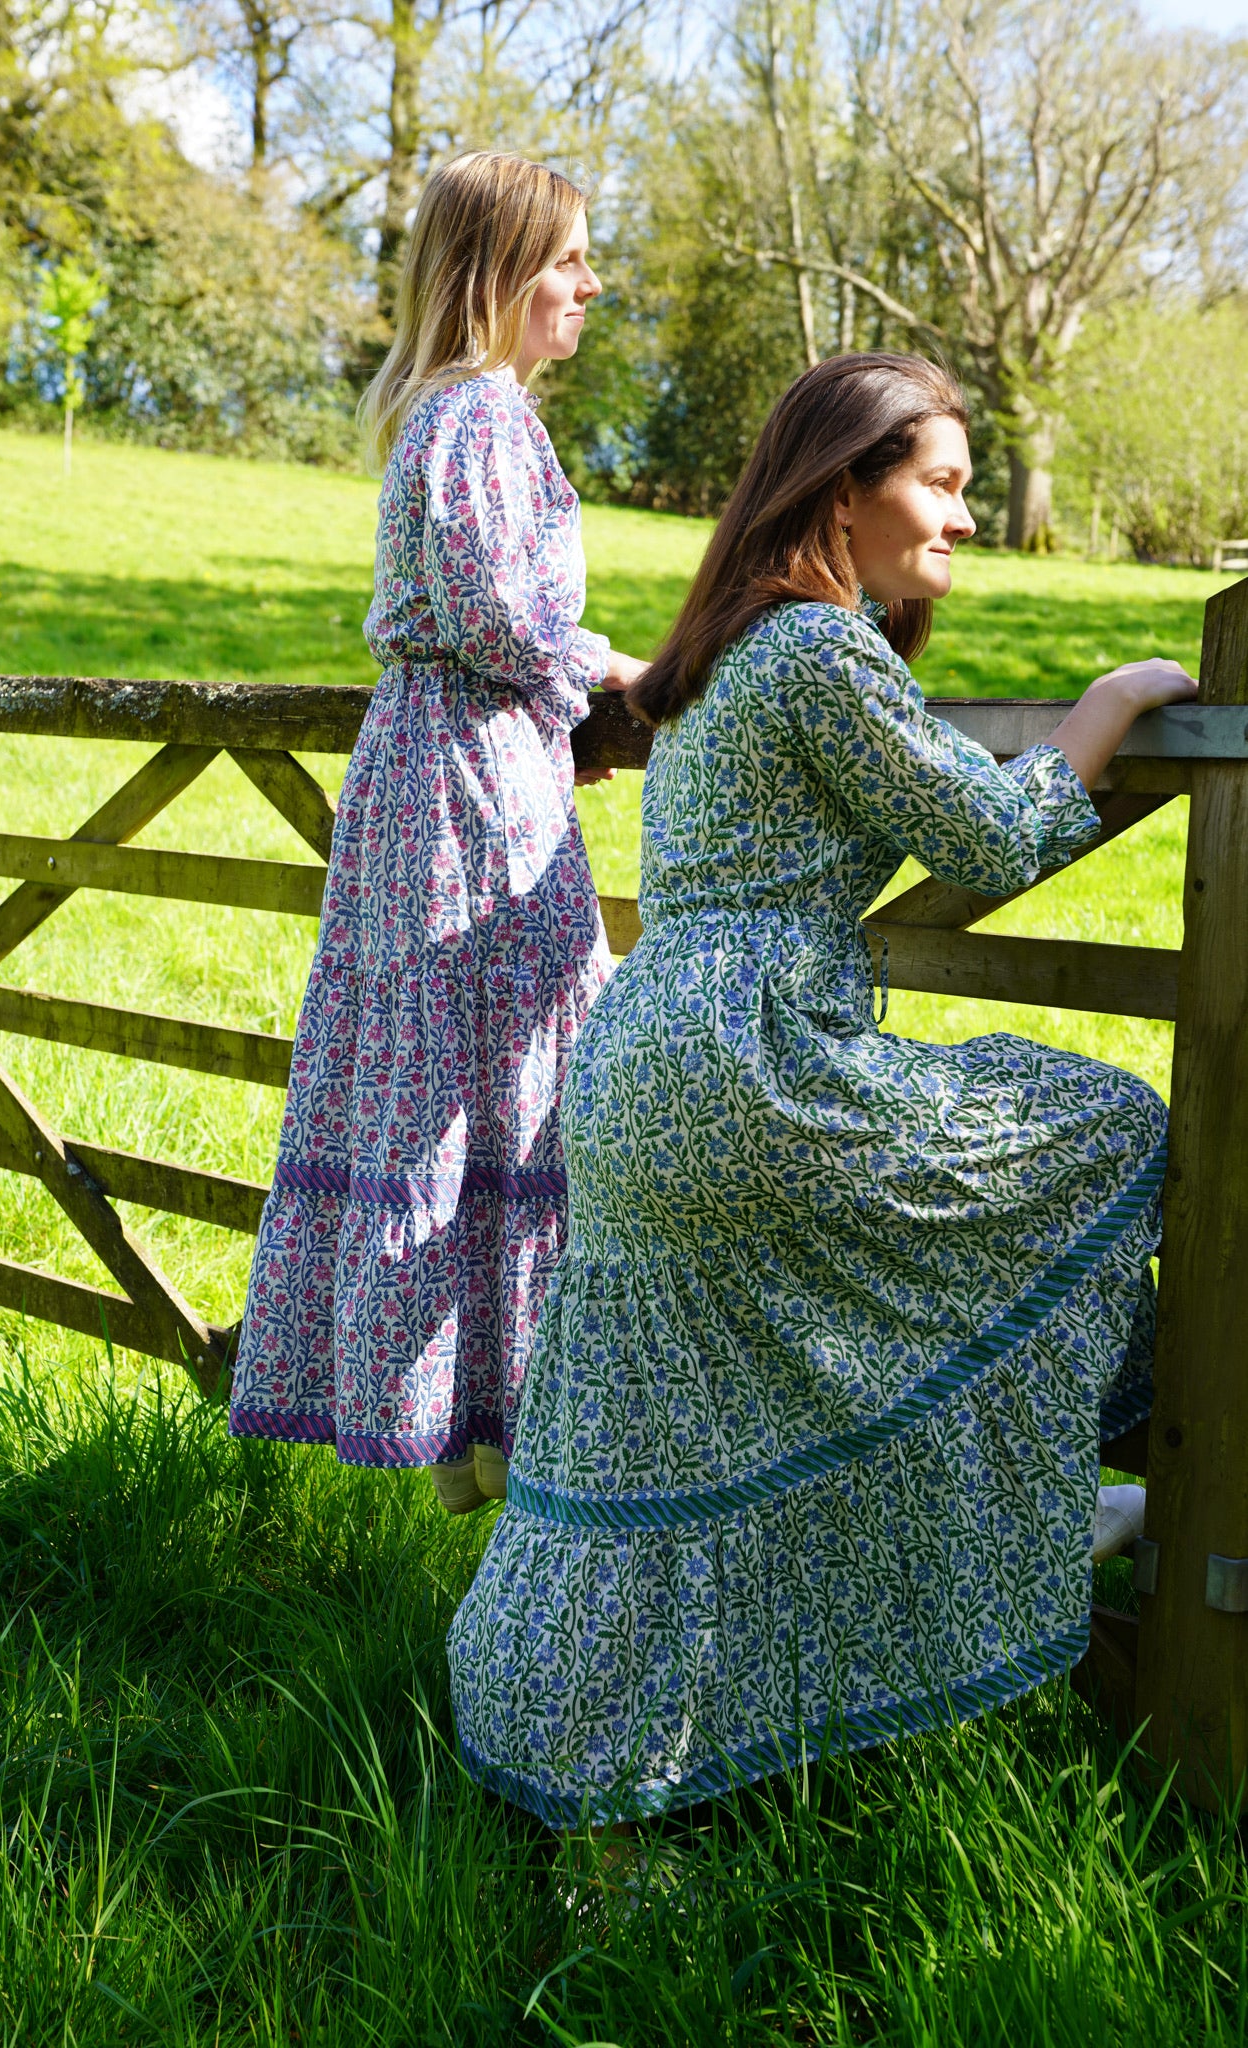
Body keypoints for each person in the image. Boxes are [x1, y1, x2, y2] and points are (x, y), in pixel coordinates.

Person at [447, 352, 1194, 1826]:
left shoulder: (728, 659)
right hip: (750, 1070)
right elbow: (987, 837)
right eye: (940, 482)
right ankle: (1083, 1496)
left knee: (662, 1430)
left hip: (641, 1061)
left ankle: (566, 1750)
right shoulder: (817, 649)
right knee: (1110, 1135)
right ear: (841, 493)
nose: (964, 519)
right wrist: (1108, 704)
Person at [227, 152, 647, 1514]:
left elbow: (488, 614)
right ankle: (497, 1420)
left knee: (454, 1082)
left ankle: (472, 1417)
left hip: (451, 764)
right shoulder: (480, 417)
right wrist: (610, 676)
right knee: (502, 1073)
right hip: (465, 784)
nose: (588, 281)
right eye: (569, 257)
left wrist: (564, 690)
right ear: (501, 272)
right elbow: (497, 616)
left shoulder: (455, 414)